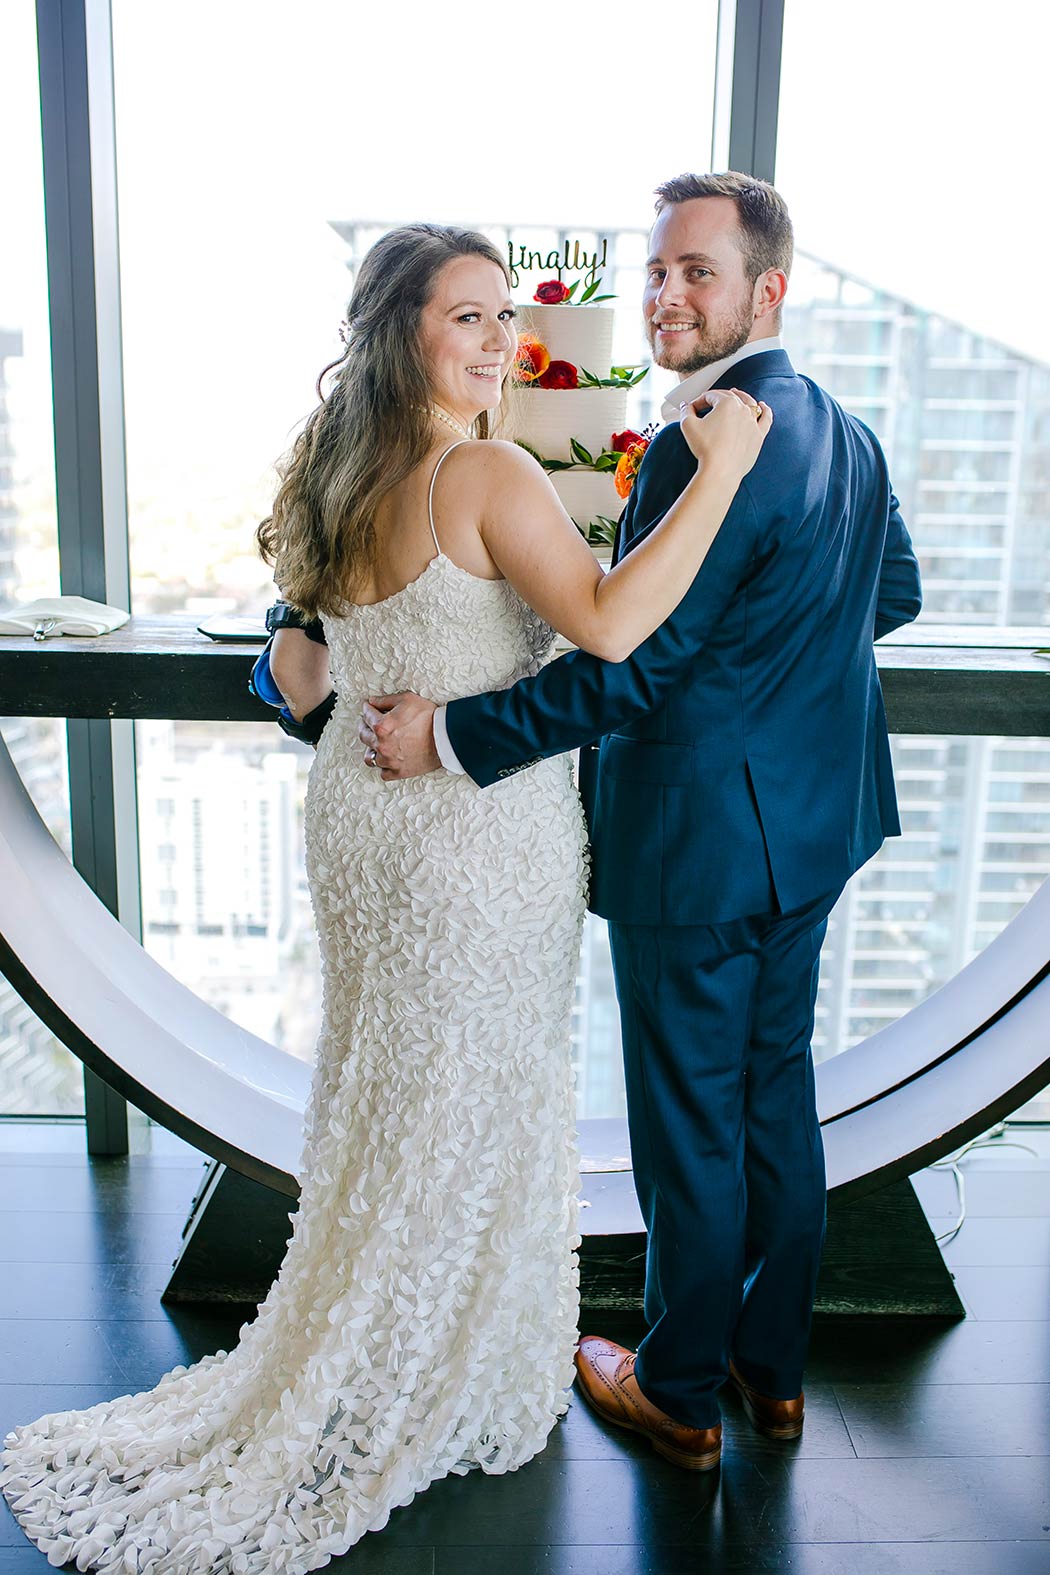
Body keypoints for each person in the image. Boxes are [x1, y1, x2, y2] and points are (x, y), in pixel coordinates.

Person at [0, 223, 769, 1570]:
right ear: (399, 331)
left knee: (388, 1086)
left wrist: (351, 687)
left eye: (496, 316)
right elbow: (605, 625)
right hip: (474, 834)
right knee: (466, 1088)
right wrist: (715, 479)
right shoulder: (484, 468)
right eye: (462, 317)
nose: (493, 342)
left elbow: (302, 660)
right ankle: (439, 1364)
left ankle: (376, 1343)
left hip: (364, 818)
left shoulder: (332, 465)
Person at [359, 175, 924, 1472]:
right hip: (816, 822)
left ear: (764, 291)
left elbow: (630, 670)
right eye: (657, 270)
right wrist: (770, 688)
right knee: (773, 1102)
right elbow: (884, 593)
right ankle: (769, 1373)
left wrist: (447, 734)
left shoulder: (699, 440)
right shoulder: (844, 428)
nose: (665, 295)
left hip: (699, 845)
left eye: (696, 274)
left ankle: (675, 1393)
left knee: (686, 1130)